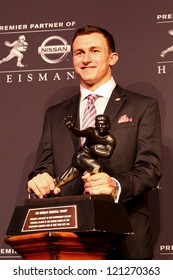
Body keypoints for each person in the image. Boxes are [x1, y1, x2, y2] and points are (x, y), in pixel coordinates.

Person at [27, 25, 162, 259]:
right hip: (66, 235)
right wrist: (38, 179)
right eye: (79, 53)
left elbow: (150, 168)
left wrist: (115, 185)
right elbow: (43, 168)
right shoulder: (56, 114)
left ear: (113, 57)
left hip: (125, 232)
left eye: (94, 51)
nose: (86, 59)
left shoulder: (142, 106)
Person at [56, 114, 116, 191]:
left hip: (86, 161)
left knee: (63, 179)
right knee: (97, 168)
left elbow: (107, 154)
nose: (101, 127)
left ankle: (54, 186)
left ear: (108, 125)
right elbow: (80, 133)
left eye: (103, 124)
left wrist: (95, 149)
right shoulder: (91, 131)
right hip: (81, 157)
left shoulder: (110, 139)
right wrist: (73, 129)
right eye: (98, 124)